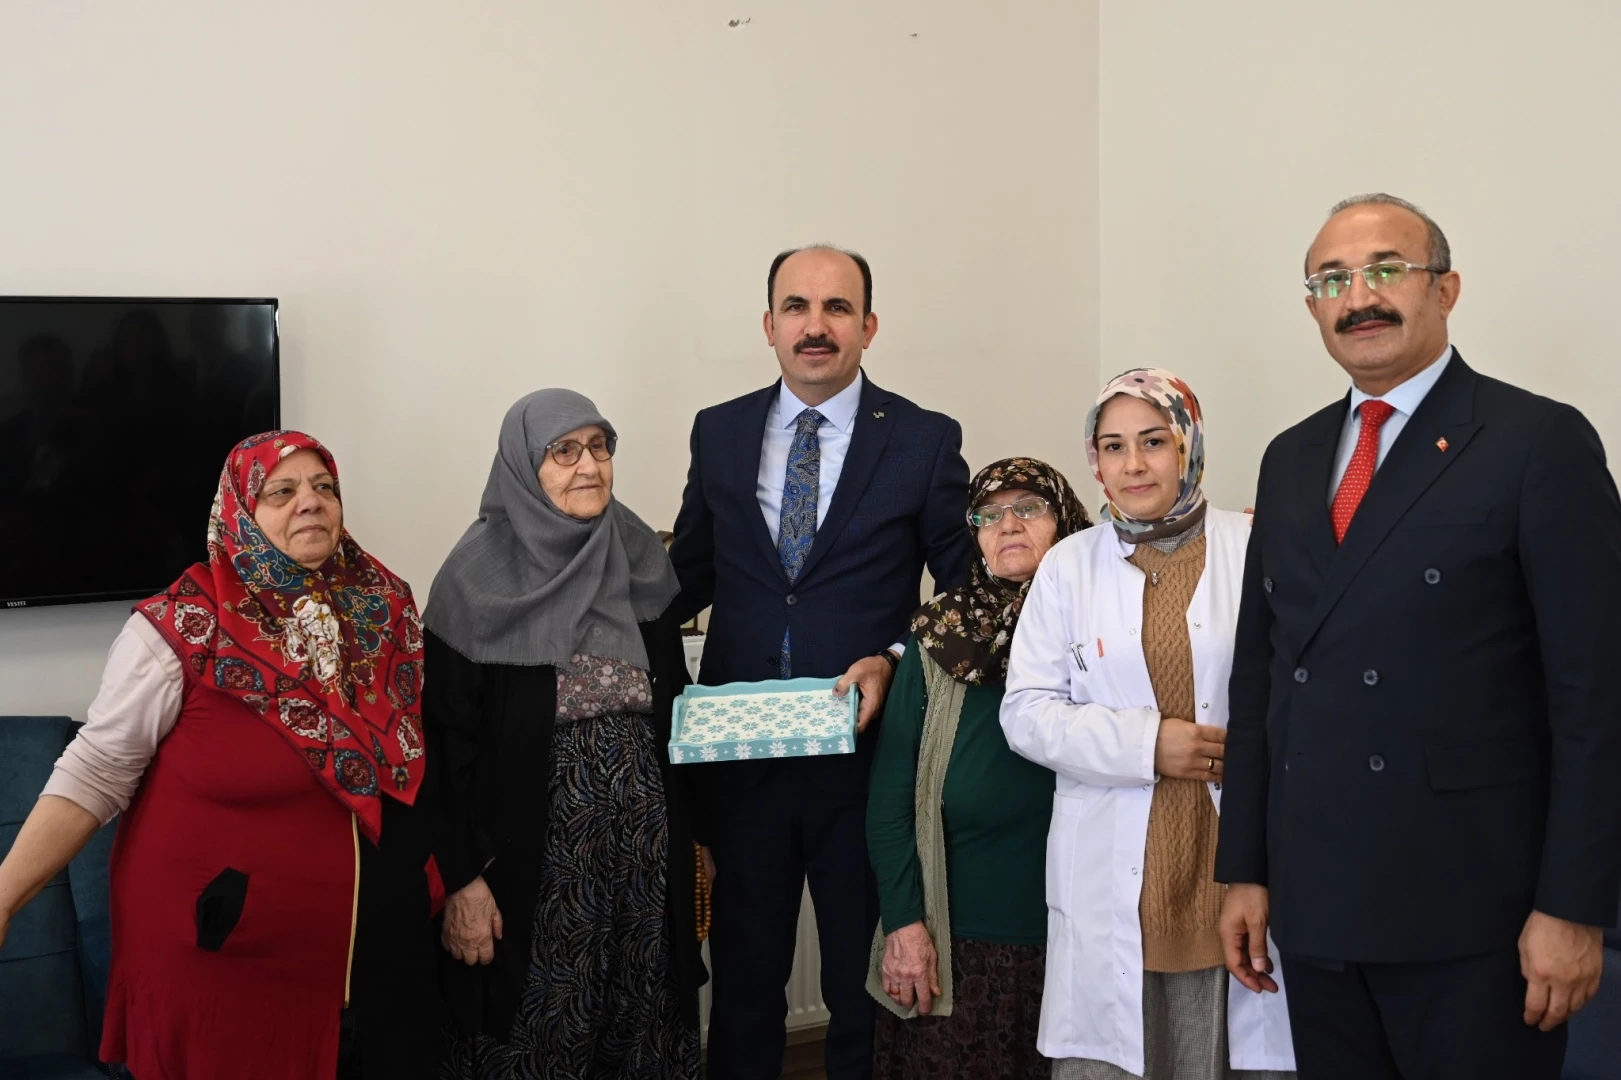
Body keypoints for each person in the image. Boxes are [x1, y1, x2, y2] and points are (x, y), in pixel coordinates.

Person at [1215, 193, 1621, 1079]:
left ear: (1445, 289)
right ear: (1312, 306)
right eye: (1331, 279)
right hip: (1316, 901)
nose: (1358, 296)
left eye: (1386, 269)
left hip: (1476, 911)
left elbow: (1596, 695)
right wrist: (1243, 868)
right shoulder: (1290, 457)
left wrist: (1574, 905)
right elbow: (1261, 680)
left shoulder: (1535, 441)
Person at [0, 430, 440, 1079]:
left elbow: (413, 758)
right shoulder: (182, 624)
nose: (310, 502)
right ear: (239, 513)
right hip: (223, 957)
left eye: (324, 487)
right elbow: (96, 771)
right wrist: (5, 898)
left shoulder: (386, 606)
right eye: (281, 491)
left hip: (372, 962)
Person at [668, 244, 972, 1080]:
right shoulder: (719, 430)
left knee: (858, 985)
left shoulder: (921, 439)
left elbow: (963, 592)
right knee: (744, 987)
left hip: (864, 763)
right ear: (768, 325)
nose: (815, 325)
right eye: (796, 307)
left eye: (836, 308)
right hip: (740, 758)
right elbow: (686, 574)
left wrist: (896, 658)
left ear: (867, 326)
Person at [1001, 369, 1297, 1079]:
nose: (1133, 464)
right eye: (1113, 446)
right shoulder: (1068, 566)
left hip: (1235, 873)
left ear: (1188, 446)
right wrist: (1146, 744)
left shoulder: (1258, 545)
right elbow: (1026, 712)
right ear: (1094, 461)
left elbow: (1302, 692)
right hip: (1116, 888)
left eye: (1154, 441)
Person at [425, 389, 702, 1079]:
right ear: (523, 466)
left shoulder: (641, 557)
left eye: (599, 447)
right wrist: (462, 878)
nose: (588, 466)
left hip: (645, 862)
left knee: (642, 1028)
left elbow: (678, 714)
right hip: (527, 871)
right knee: (541, 1032)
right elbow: (444, 748)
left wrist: (698, 838)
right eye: (564, 451)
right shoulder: (473, 580)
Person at [866, 457, 1091, 1080]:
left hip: (1084, 927)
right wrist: (904, 924)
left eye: (1029, 508)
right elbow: (889, 801)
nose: (1007, 524)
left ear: (1066, 520)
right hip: (957, 933)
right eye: (988, 515)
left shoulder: (1107, 623)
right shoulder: (941, 635)